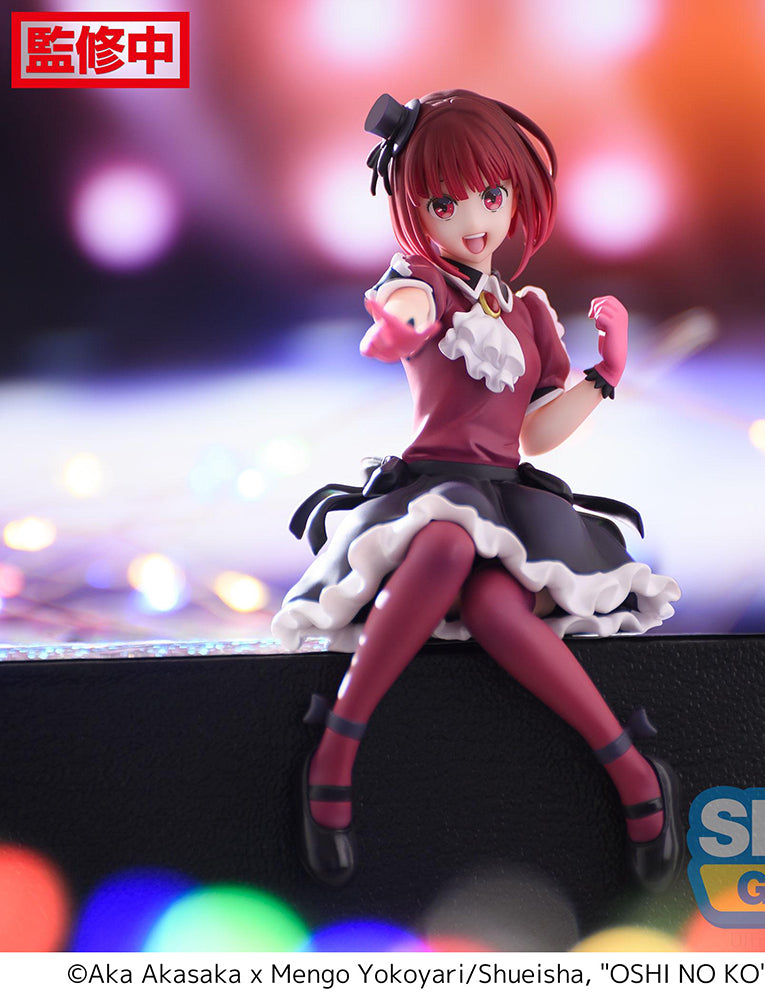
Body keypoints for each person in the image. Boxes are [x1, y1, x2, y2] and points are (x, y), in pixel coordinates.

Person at [272, 90, 682, 891]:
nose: (474, 220)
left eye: (491, 196)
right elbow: (404, 311)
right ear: (415, 210)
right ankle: (337, 751)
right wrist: (394, 328)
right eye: (444, 203)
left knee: (497, 610)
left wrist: (605, 373)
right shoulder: (422, 279)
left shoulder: (527, 314)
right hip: (429, 488)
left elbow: (535, 434)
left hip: (505, 495)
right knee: (447, 542)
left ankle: (633, 768)